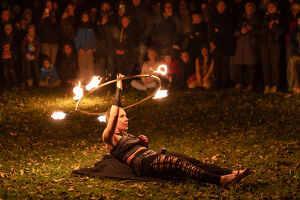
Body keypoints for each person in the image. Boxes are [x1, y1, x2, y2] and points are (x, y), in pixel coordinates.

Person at [102, 74, 251, 185]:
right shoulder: (108, 137)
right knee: (179, 163)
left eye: (125, 116)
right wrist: (118, 87)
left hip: (152, 155)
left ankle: (231, 172)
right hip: (143, 164)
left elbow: (137, 149)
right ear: (112, 122)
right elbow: (114, 114)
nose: (126, 119)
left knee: (192, 161)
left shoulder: (125, 134)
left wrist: (144, 143)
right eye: (122, 117)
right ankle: (220, 180)